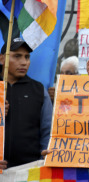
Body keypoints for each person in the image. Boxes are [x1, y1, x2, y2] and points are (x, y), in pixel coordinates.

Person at [0, 37, 53, 169]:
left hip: (29, 171)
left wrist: (43, 162)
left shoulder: (39, 90)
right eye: (17, 56)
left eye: (27, 57)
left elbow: (48, 131)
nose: (24, 62)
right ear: (2, 59)